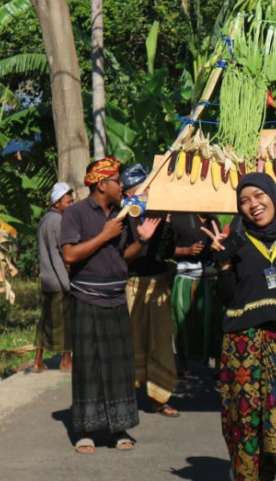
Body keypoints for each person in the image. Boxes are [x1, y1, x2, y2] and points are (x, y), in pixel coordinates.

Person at [202, 172, 276, 481]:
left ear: (273, 194)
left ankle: (265, 472)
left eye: (258, 195)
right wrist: (225, 265)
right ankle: (244, 474)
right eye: (244, 200)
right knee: (242, 418)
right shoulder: (236, 239)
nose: (253, 204)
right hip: (241, 342)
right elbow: (228, 298)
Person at [60, 157, 160, 453]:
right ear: (102, 184)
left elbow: (122, 256)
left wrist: (142, 241)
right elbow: (69, 256)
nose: (123, 186)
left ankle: (118, 428)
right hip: (86, 300)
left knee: (119, 366)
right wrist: (104, 234)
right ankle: (86, 430)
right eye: (118, 181)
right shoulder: (76, 213)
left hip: (117, 299)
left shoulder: (122, 213)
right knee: (88, 366)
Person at [122, 164, 181, 418]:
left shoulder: (160, 213)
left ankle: (160, 397)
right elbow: (120, 257)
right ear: (127, 194)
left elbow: (167, 253)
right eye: (140, 191)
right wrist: (142, 238)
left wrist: (166, 224)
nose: (145, 195)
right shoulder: (121, 218)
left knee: (161, 343)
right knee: (131, 342)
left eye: (148, 189)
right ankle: (125, 397)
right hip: (132, 287)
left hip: (159, 286)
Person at [170, 213, 224, 375]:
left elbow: (219, 252)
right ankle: (182, 365)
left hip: (210, 279)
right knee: (182, 322)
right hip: (185, 279)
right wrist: (186, 250)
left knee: (215, 322)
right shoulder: (177, 219)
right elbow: (164, 249)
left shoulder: (214, 221)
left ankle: (218, 367)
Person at [33, 182, 74, 373]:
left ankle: (38, 360)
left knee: (45, 321)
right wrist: (67, 283)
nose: (71, 206)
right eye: (68, 202)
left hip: (47, 280)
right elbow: (59, 256)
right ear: (57, 203)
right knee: (65, 322)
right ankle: (66, 361)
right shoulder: (58, 222)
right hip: (59, 281)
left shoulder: (44, 220)